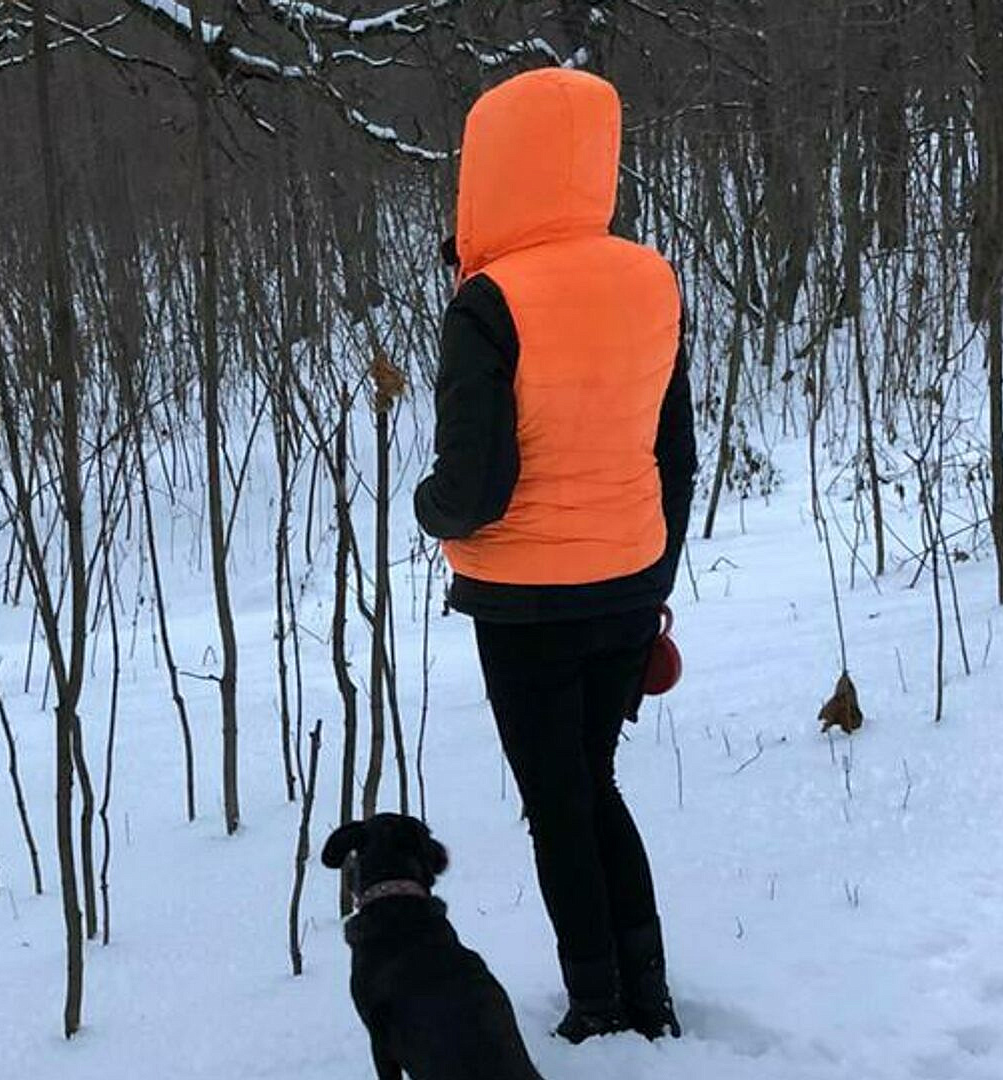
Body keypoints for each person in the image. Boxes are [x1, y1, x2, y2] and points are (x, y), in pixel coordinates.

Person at [414, 67, 697, 1045]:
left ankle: (600, 1003)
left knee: (557, 805)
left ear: (487, 173)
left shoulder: (487, 303)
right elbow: (677, 459)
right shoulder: (651, 280)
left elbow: (475, 489)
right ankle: (648, 993)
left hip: (524, 605)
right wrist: (653, 585)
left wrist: (426, 507)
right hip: (627, 591)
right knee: (598, 785)